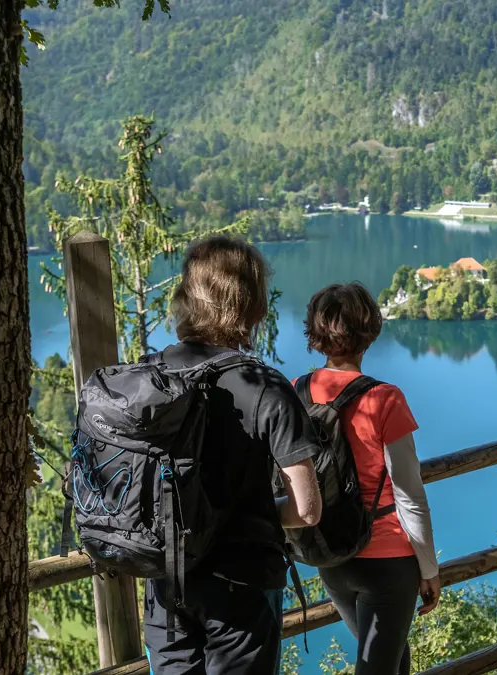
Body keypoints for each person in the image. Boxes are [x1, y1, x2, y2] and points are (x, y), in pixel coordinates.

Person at [144, 235, 323, 674]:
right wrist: (255, 512)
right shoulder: (265, 385)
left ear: (186, 298)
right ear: (253, 304)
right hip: (240, 586)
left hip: (166, 581)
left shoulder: (148, 375)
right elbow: (308, 509)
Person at [304, 282, 440, 675]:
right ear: (370, 331)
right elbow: (409, 494)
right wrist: (429, 568)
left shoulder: (297, 392)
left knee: (394, 660)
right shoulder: (385, 398)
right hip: (387, 561)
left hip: (331, 554)